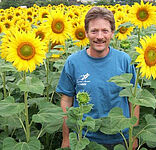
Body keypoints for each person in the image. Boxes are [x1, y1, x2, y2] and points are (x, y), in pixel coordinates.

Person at [56, 6, 139, 150]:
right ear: (86, 33)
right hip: (86, 139)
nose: (99, 36)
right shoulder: (73, 62)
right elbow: (66, 100)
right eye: (94, 31)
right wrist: (66, 138)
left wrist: (134, 136)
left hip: (121, 137)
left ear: (112, 33)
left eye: (105, 31)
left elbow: (134, 99)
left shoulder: (124, 60)